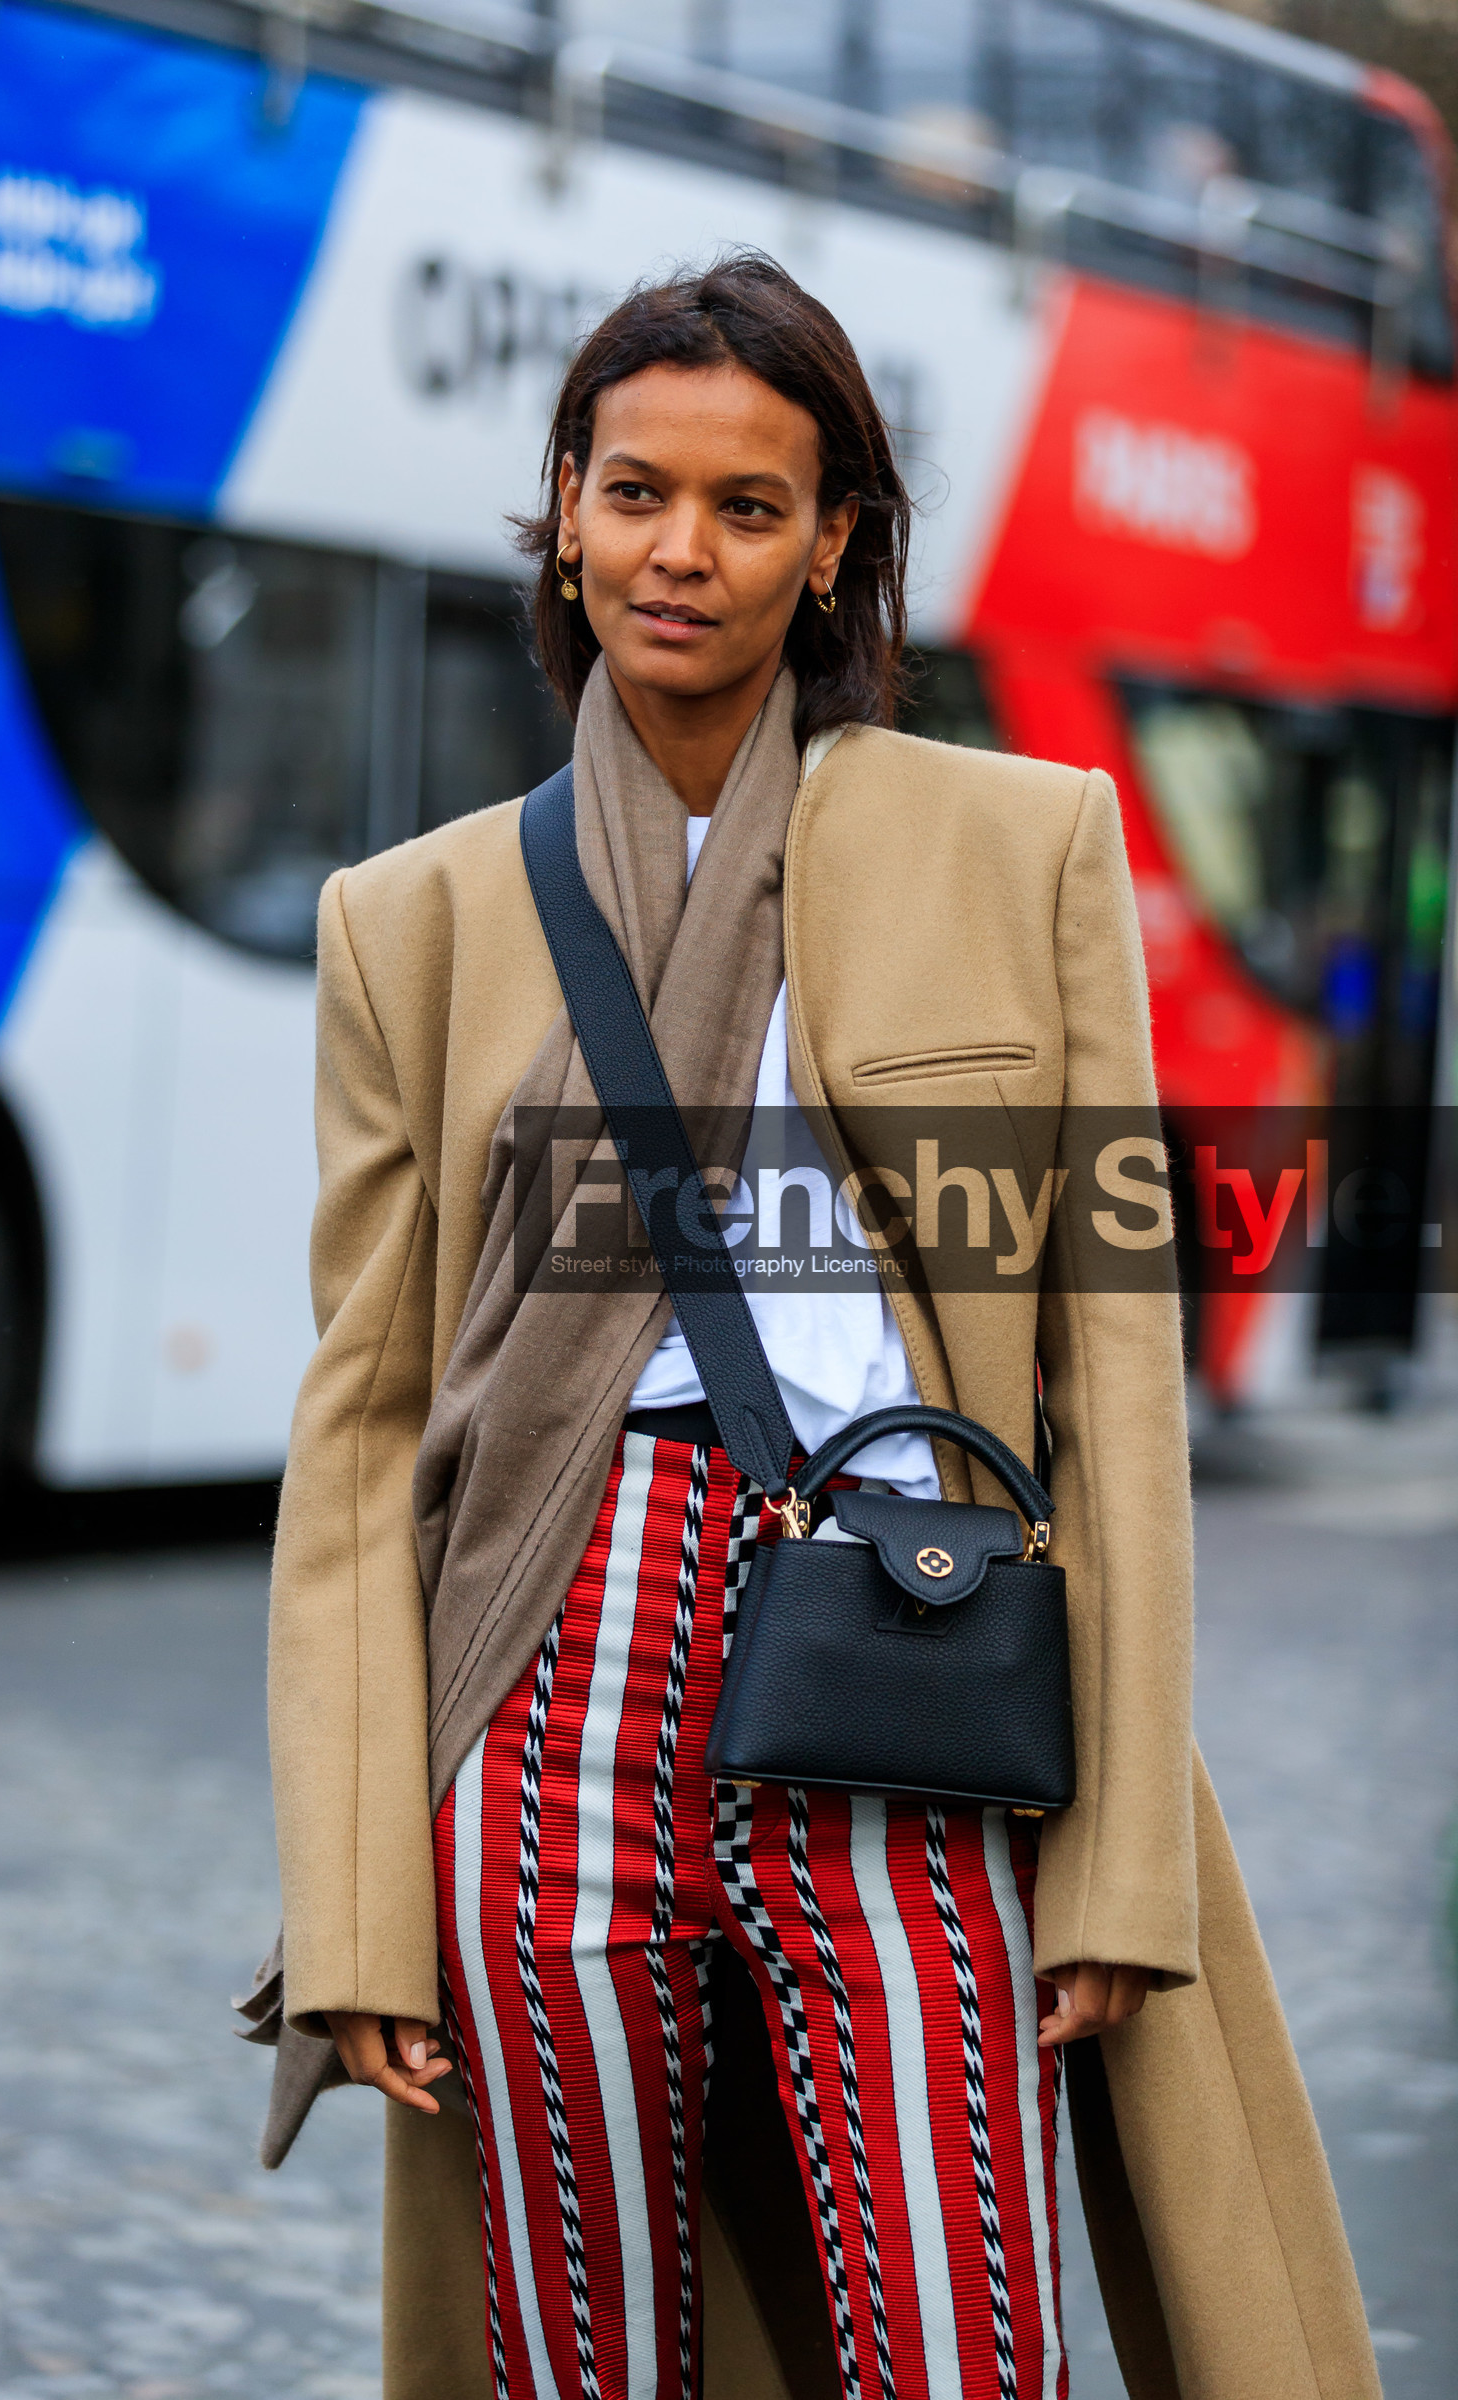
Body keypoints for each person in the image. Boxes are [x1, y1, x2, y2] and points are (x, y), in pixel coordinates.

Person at [261, 257, 1379, 2400]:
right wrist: (350, 1905)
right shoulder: (405, 922)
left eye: (748, 505)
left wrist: (1118, 1860)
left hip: (902, 1625)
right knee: (579, 2354)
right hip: (546, 1663)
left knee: (960, 2345)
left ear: (834, 537)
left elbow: (1111, 1385)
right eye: (634, 493)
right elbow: (358, 1441)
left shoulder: (1019, 842)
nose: (680, 552)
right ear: (561, 510)